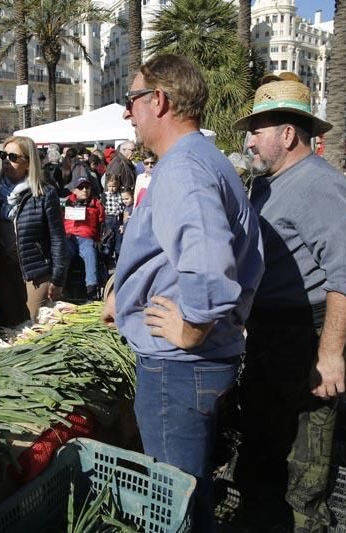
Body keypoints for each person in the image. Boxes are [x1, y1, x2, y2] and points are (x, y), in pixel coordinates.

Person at [101, 53, 264, 533]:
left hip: (181, 366)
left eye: (130, 101)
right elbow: (184, 254)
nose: (127, 112)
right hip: (194, 365)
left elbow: (211, 269)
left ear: (159, 100)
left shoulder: (184, 169)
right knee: (191, 494)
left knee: (176, 503)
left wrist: (191, 328)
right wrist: (127, 295)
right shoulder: (197, 161)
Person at [232, 75, 346, 532]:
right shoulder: (268, 183)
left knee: (304, 462)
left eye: (257, 130)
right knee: (264, 445)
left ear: (287, 135)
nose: (249, 140)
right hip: (270, 334)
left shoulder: (320, 184)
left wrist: (329, 355)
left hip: (303, 337)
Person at [0, 136, 67, 322]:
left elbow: (57, 238)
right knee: (9, 325)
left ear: (28, 162)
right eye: (3, 155)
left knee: (34, 326)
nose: (6, 161)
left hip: (36, 272)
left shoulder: (44, 194)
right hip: (4, 271)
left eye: (13, 157)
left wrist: (58, 278)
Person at [101, 175, 124, 262]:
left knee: (119, 242)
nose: (112, 188)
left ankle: (118, 262)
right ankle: (106, 263)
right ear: (107, 185)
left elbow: (123, 206)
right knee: (108, 242)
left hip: (118, 219)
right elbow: (102, 207)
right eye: (110, 186)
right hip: (108, 219)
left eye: (114, 186)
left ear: (117, 185)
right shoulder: (104, 195)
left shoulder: (120, 194)